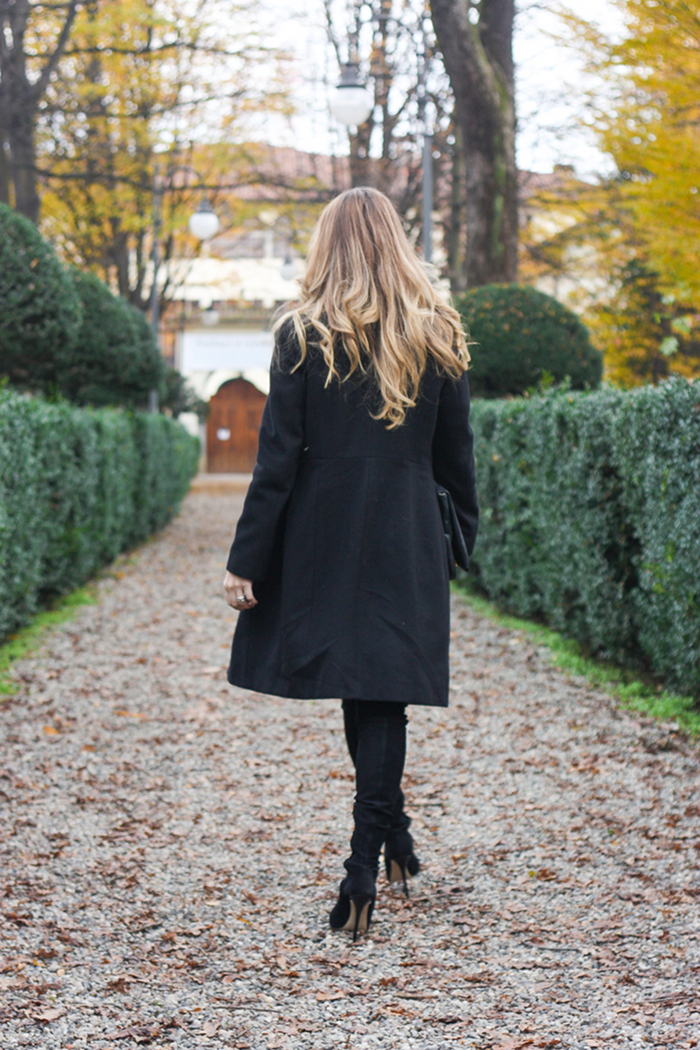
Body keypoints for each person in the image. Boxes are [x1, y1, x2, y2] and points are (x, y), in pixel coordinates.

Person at [223, 187, 478, 940]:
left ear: (327, 245)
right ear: (396, 242)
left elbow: (277, 459)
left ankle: (365, 865)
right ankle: (383, 848)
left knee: (360, 684)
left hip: (323, 533)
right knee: (379, 691)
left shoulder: (303, 334)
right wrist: (456, 540)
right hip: (405, 531)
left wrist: (248, 560)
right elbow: (457, 460)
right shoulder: (436, 332)